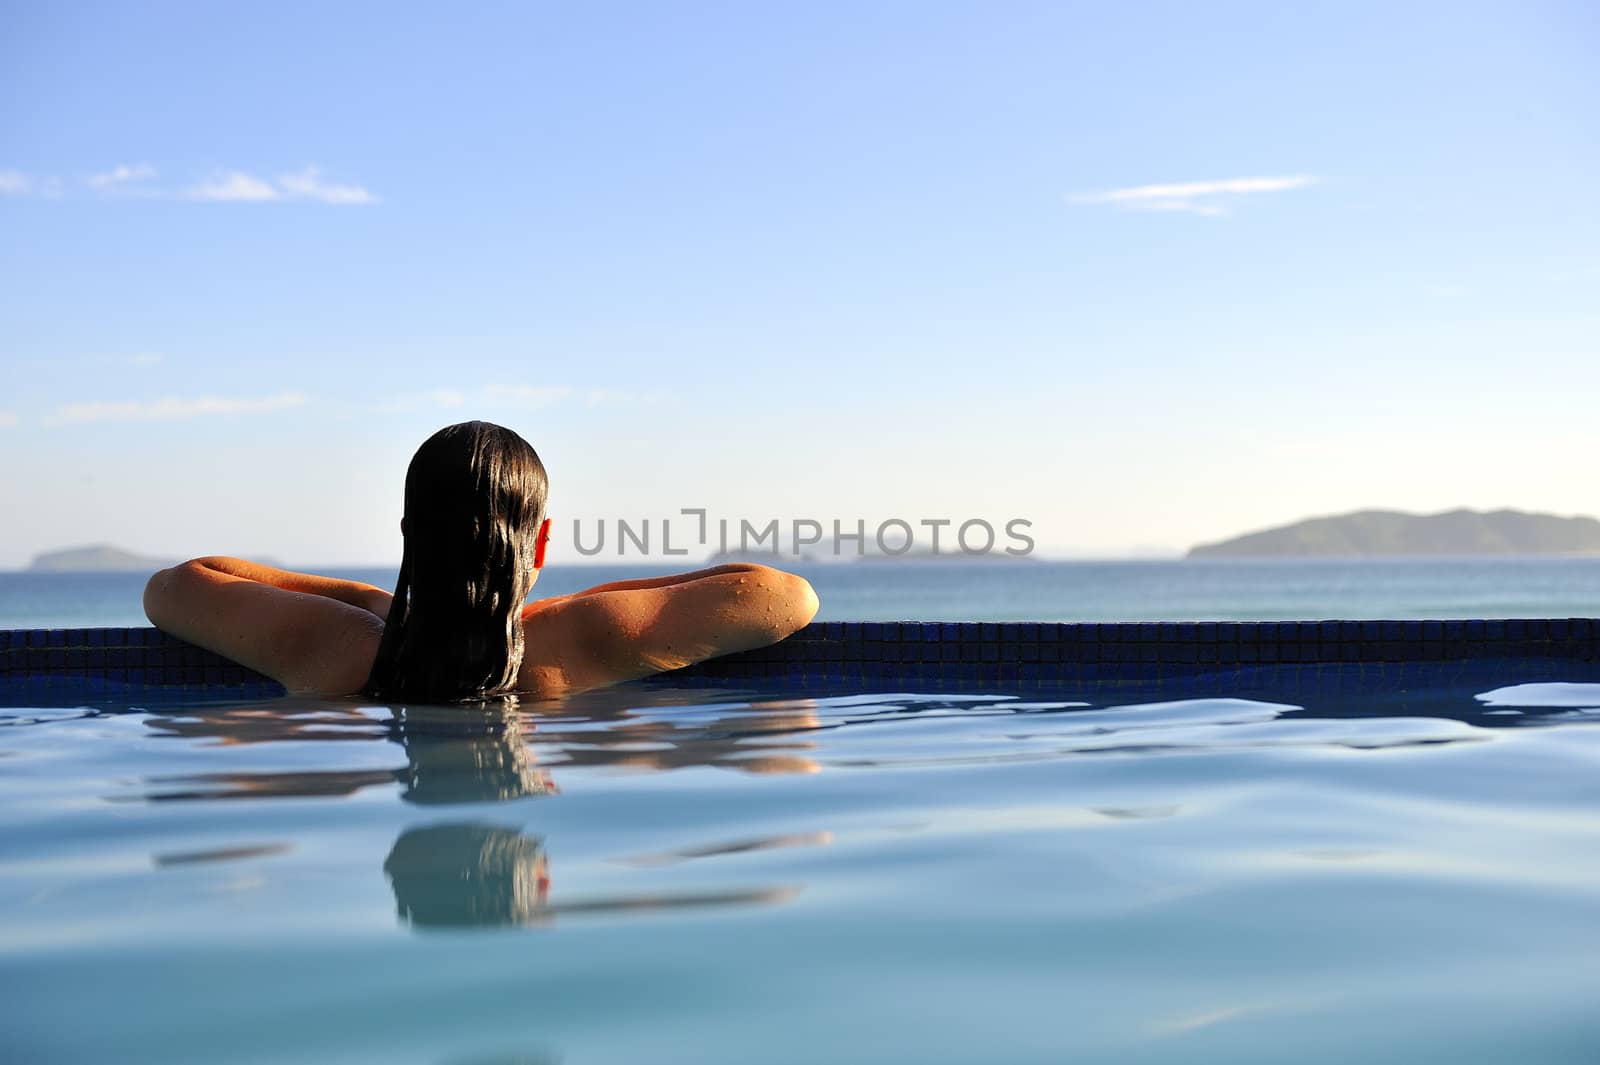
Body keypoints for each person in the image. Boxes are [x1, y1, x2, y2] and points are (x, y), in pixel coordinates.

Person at [143, 421, 819, 699]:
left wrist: (378, 604)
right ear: (543, 543)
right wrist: (570, 604)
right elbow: (785, 594)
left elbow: (178, 584)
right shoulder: (583, 637)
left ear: (408, 535)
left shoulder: (330, 645)